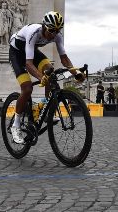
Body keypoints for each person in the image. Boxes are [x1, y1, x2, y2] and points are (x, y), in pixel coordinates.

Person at [7, 11, 84, 144]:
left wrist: (75, 73)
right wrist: (40, 77)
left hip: (31, 51)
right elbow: (28, 64)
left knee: (50, 72)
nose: (54, 34)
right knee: (27, 88)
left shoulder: (57, 36)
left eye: (57, 31)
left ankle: (47, 112)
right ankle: (16, 125)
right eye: (51, 30)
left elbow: (64, 58)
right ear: (44, 26)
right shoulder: (33, 32)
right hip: (16, 53)